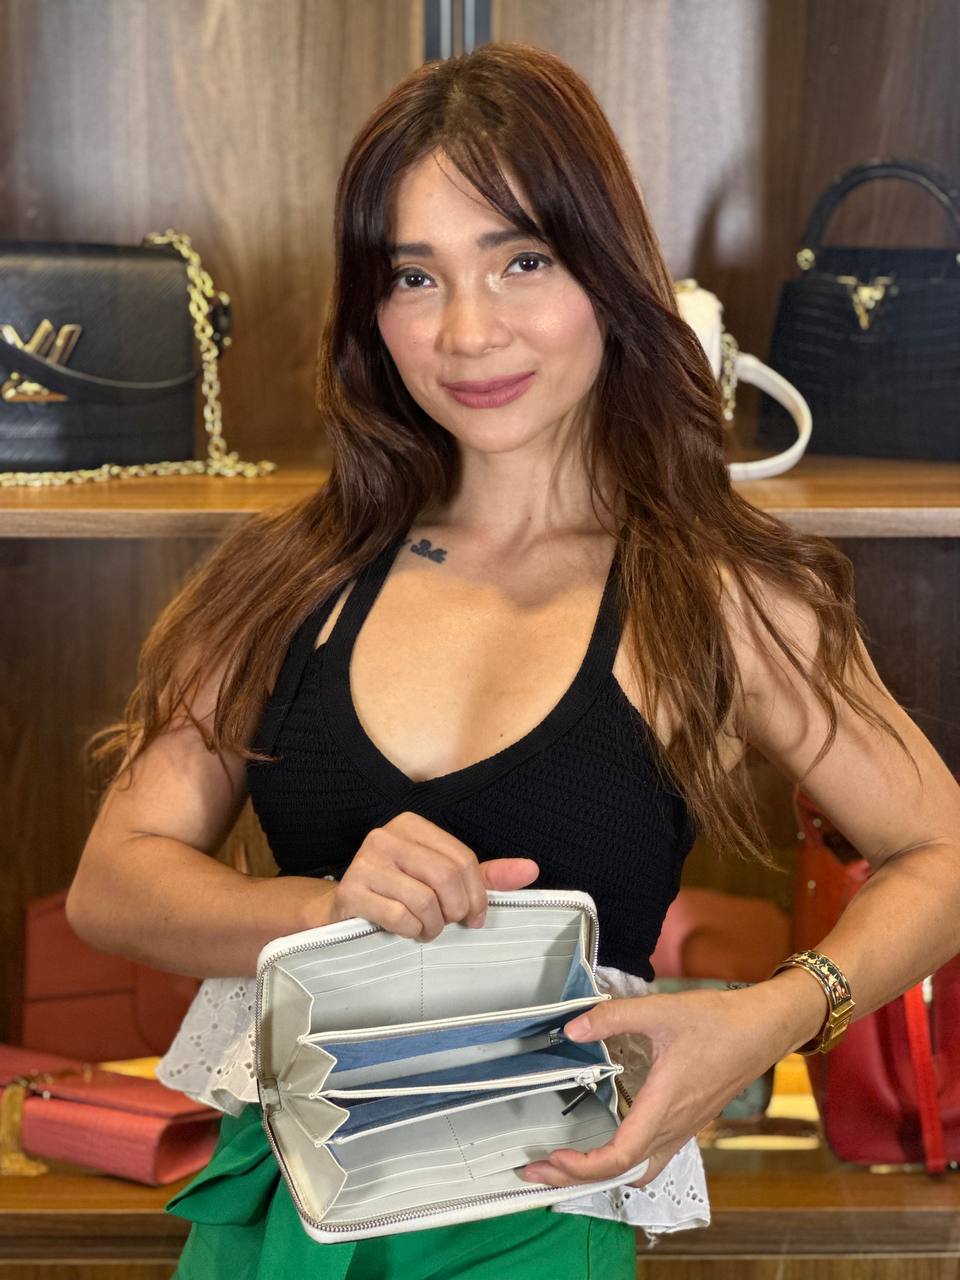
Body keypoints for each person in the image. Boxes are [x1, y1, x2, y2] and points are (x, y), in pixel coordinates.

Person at [66, 39, 960, 1280]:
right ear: (371, 310)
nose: (468, 330)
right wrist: (322, 909)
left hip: (542, 1217)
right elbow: (112, 882)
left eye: (522, 259)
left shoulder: (719, 593)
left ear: (609, 270)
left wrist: (769, 1017)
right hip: (270, 1216)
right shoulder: (286, 577)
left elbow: (942, 851)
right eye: (414, 276)